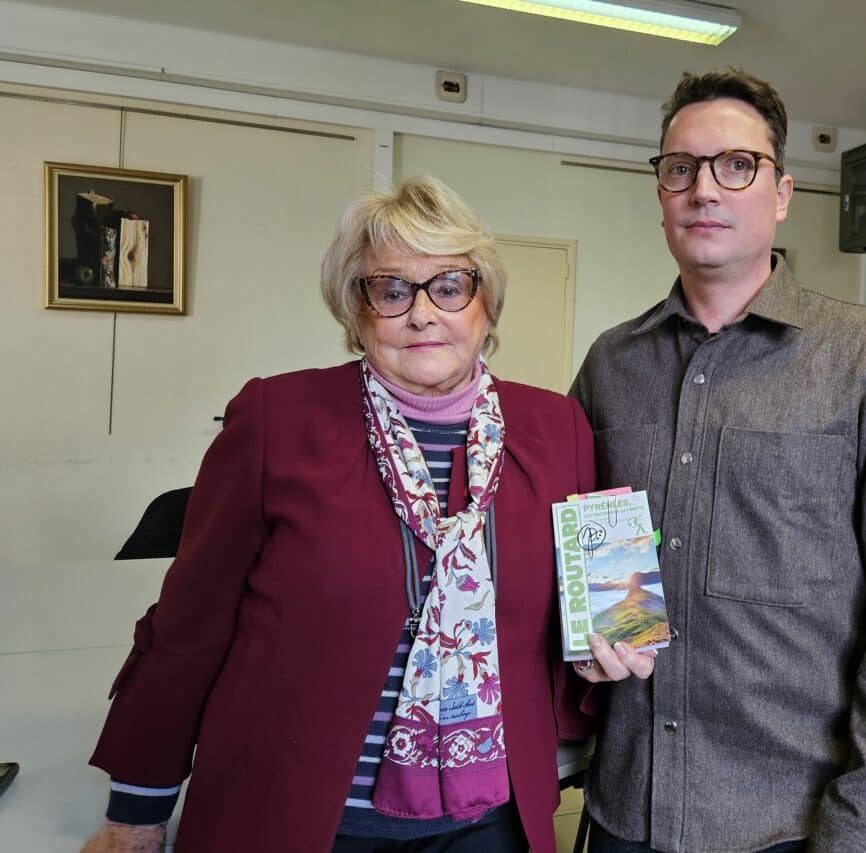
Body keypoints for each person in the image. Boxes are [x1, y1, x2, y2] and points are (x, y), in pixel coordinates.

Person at [82, 176, 595, 853]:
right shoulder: (276, 419)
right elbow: (190, 623)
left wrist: (611, 645)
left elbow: (574, 609)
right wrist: (138, 806)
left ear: (485, 303)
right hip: (300, 814)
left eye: (449, 286)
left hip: (488, 817)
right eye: (390, 290)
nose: (421, 314)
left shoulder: (556, 426)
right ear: (354, 311)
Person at [569, 69, 866, 852]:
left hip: (787, 816)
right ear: (660, 192)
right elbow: (584, 542)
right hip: (628, 804)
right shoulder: (613, 363)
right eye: (680, 168)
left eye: (735, 165)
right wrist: (590, 631)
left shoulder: (865, 355)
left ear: (780, 192)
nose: (704, 189)